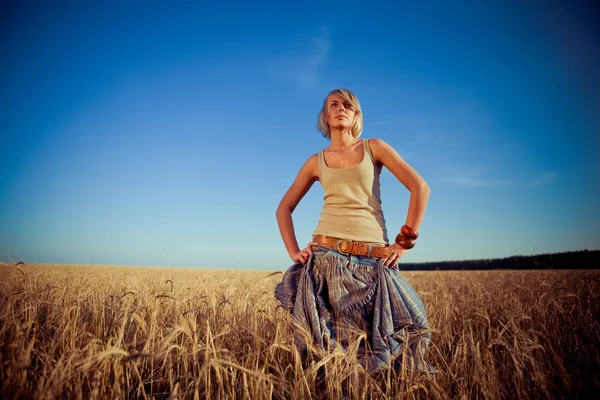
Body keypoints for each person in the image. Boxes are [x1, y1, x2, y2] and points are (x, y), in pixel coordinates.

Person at [274, 88, 433, 374]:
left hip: (374, 261)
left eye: (348, 104)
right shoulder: (316, 161)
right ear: (325, 115)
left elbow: (420, 187)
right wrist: (294, 251)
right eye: (333, 104)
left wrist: (403, 243)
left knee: (412, 329)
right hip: (325, 261)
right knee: (335, 355)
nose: (341, 108)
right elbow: (283, 208)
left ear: (356, 113)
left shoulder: (374, 147)